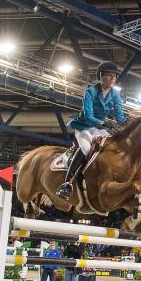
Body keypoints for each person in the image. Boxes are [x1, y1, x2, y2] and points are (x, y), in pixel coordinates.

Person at [56, 61, 127, 199]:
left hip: (101, 128)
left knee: (112, 145)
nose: (113, 79)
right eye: (109, 75)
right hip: (85, 126)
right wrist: (104, 122)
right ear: (101, 76)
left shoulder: (115, 94)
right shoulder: (90, 92)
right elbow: (88, 115)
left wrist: (126, 123)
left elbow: (119, 115)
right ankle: (67, 183)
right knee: (86, 148)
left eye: (114, 76)